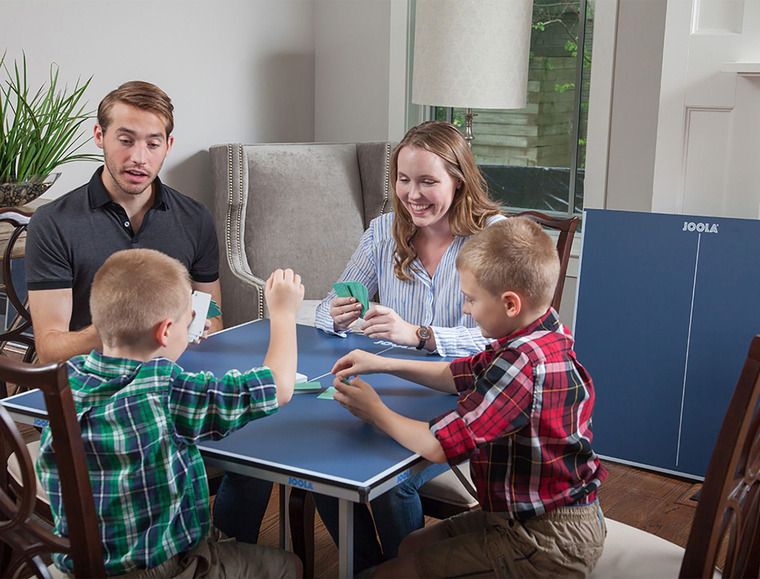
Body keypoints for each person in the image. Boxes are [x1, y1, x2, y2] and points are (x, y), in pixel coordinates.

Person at [24, 81, 267, 545]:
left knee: (257, 450)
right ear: (99, 136)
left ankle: (217, 550)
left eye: (153, 143)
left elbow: (211, 309)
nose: (139, 156)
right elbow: (50, 346)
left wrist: (201, 324)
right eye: (126, 139)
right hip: (95, 401)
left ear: (168, 146)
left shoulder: (194, 218)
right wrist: (126, 328)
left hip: (175, 384)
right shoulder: (54, 223)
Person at [331, 217, 608, 578]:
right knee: (410, 545)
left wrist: (375, 411)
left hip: (545, 538)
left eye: (471, 299)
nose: (465, 309)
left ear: (510, 304)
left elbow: (438, 447)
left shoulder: (522, 365)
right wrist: (381, 363)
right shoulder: (541, 333)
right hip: (542, 514)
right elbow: (456, 374)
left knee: (387, 573)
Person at [36, 249, 305, 578]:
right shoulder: (167, 390)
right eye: (188, 320)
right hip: (161, 569)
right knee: (290, 566)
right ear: (165, 332)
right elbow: (277, 387)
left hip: (78, 564)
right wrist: (284, 312)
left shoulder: (69, 379)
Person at [312, 121, 505, 569]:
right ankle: (370, 571)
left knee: (393, 484)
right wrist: (341, 315)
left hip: (470, 403)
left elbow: (505, 342)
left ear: (458, 180)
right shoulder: (383, 231)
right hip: (392, 391)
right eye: (403, 179)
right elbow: (326, 309)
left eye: (427, 181)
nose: (412, 194)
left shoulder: (494, 236)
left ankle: (408, 573)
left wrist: (420, 334)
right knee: (324, 474)